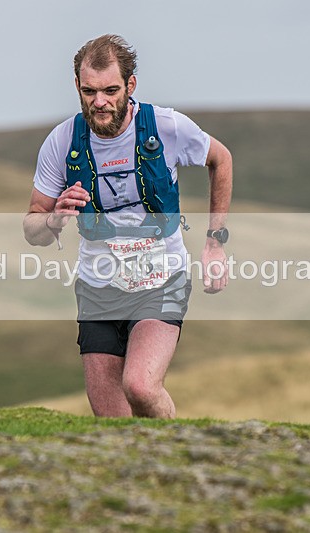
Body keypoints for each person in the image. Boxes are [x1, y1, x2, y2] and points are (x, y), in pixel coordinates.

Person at [23, 34, 232, 419]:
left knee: (140, 386)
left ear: (130, 86)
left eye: (110, 90)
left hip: (161, 279)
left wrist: (215, 242)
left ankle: (183, 460)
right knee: (112, 421)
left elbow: (221, 159)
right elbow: (32, 228)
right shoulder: (61, 142)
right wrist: (54, 219)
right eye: (89, 91)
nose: (99, 102)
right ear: (77, 87)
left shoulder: (166, 126)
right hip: (98, 288)